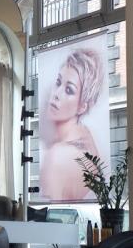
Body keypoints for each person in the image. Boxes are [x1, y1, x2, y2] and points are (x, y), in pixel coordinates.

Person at [40, 48, 104, 201]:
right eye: (58, 82)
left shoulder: (56, 156)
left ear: (82, 106)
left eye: (69, 90)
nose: (56, 94)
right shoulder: (87, 138)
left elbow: (53, 212)